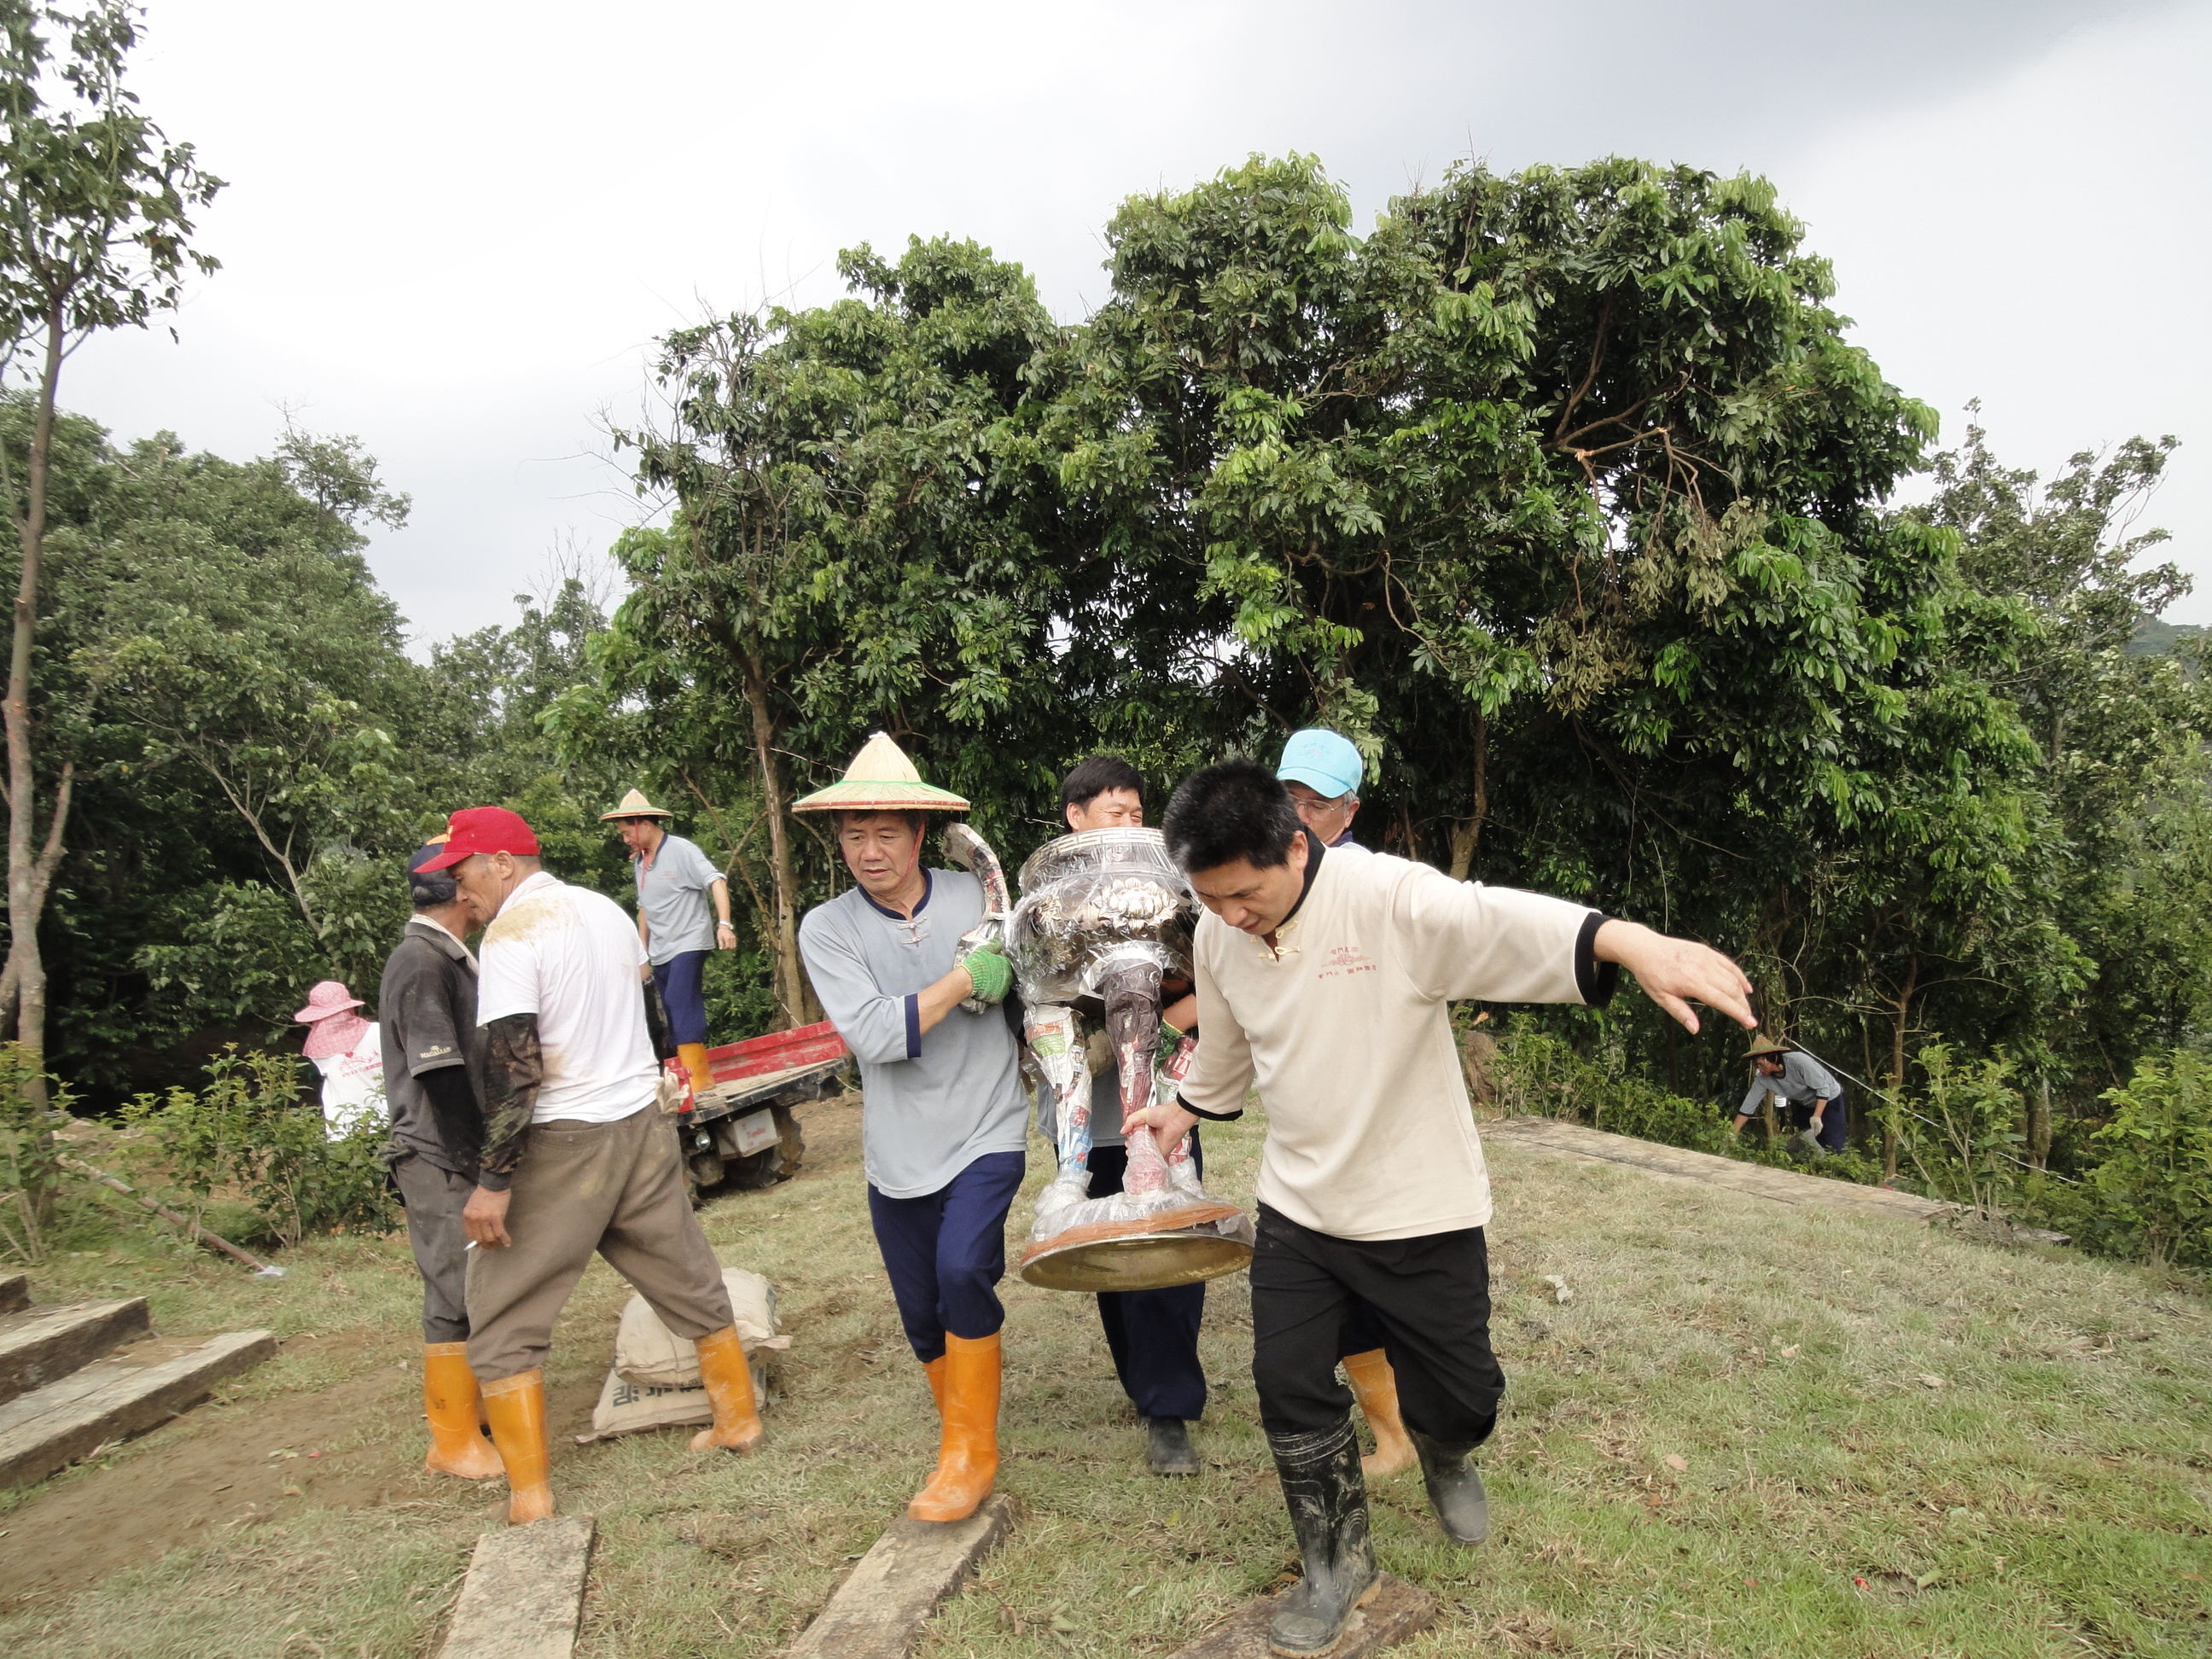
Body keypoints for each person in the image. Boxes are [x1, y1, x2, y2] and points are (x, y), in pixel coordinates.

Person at [1132, 761, 1755, 1656]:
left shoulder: (1386, 897)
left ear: (1299, 847)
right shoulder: (1222, 936)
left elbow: (1491, 919)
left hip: (1418, 1205)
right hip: (1301, 1206)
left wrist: (1624, 940)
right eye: (1211, 898)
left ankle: (1447, 1450)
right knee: (1287, 1382)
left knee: (1464, 1399)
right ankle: (1334, 1562)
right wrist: (1185, 1104)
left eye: (1244, 894)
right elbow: (1227, 1049)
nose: (1231, 916)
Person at [420, 806, 764, 1525]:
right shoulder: (606, 909)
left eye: (463, 873)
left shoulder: (514, 934)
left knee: (504, 1307)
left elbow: (515, 1070)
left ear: (504, 865)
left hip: (564, 1137)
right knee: (681, 1266)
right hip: (638, 1120)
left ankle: (530, 1495)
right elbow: (655, 1009)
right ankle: (738, 1420)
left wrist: (493, 1182)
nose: (461, 892)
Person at [793, 732, 1025, 1522]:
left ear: (920, 836)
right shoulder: (826, 929)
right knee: (923, 1313)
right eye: (855, 836)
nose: (870, 851)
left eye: (886, 834)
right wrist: (966, 978)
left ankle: (969, 1456)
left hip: (989, 1122)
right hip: (898, 1147)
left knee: (965, 1271)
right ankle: (960, 1426)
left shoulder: (979, 900)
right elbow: (875, 1036)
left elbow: (1035, 990)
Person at [1051, 755, 1208, 1476]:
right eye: (1117, 812)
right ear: (1074, 819)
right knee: (1114, 1259)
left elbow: (1220, 984)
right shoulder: (1055, 911)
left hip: (1166, 1115)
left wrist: (1163, 1024)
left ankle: (1171, 1409)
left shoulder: (1173, 902)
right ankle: (1149, 1393)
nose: (1132, 824)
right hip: (1097, 1125)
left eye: (1138, 812)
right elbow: (1039, 1009)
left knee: (1171, 1252)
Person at [1275, 731, 1416, 1476]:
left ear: (1349, 809)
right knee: (1334, 1292)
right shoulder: (1265, 881)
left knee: (1389, 1283)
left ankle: (1425, 1434)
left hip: (1376, 1113)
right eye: (1286, 799)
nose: (1296, 817)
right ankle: (1394, 1435)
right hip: (1311, 1120)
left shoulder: (1368, 880)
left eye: (1314, 804)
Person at [376, 841, 501, 1481]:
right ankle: (451, 1440)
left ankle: (472, 1417)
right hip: (437, 1152)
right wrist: (482, 1162)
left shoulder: (448, 958)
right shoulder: (421, 961)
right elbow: (440, 1074)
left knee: (470, 1284)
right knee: (453, 1288)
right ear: (456, 889)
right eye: (474, 875)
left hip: (450, 1149)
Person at [602, 789, 736, 1096]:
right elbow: (644, 908)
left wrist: (724, 924)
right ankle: (683, 1075)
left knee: (679, 1000)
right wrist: (641, 951)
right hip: (660, 949)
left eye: (626, 833)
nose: (625, 839)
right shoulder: (640, 862)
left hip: (689, 941)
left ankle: (700, 1079)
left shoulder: (681, 850)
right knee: (666, 1010)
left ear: (644, 825)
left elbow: (716, 881)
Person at [294, 980, 386, 1138]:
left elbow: (311, 1076)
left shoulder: (318, 1050)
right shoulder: (379, 1032)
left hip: (346, 1130)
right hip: (389, 1119)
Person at [1735, 1034, 1848, 1154]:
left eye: (1761, 1065)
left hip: (1829, 1100)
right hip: (1804, 1104)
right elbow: (1748, 1107)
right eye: (1756, 1065)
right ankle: (1813, 1170)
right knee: (1806, 1144)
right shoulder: (1763, 1079)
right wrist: (1733, 1133)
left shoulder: (1798, 1062)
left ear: (1773, 1058)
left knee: (1834, 1143)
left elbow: (1823, 1088)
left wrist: (1817, 1116)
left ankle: (1838, 1170)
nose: (1759, 1069)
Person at [1277, 728, 1366, 853]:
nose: (1300, 816)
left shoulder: (1357, 868)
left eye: (1317, 806)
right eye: (1290, 801)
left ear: (1349, 812)